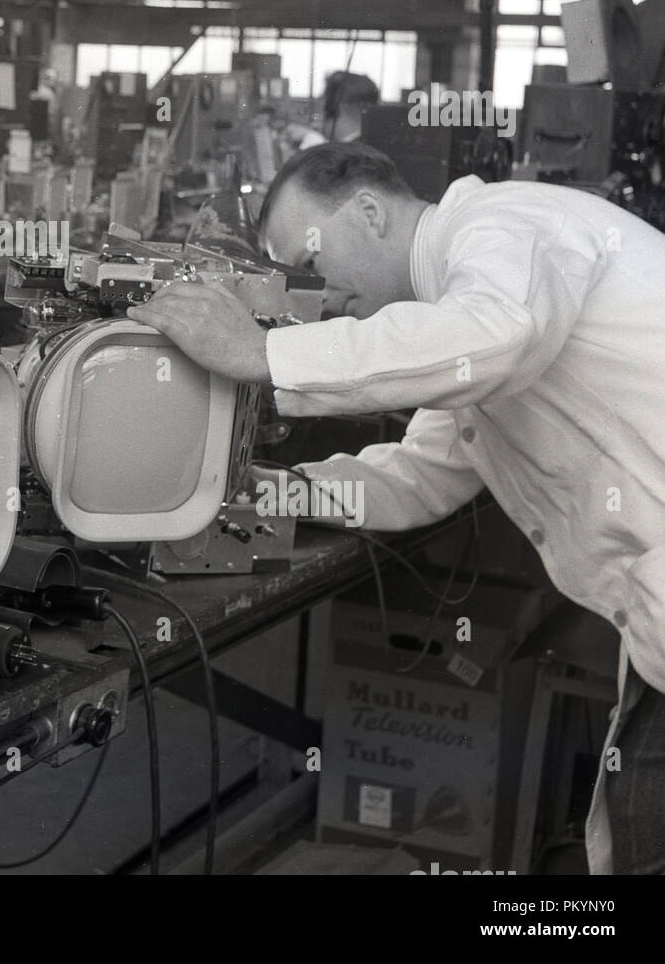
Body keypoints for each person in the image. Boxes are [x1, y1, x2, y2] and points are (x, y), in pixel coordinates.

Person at [127, 141, 665, 874]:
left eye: (311, 263)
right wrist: (276, 489)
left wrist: (264, 355)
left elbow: (493, 338)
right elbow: (423, 471)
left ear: (371, 211)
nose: (314, 292)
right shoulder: (461, 307)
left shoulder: (502, 225)